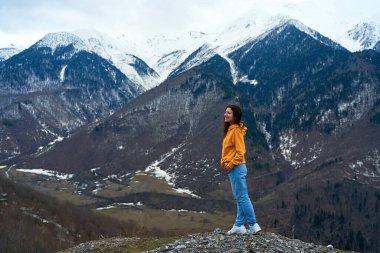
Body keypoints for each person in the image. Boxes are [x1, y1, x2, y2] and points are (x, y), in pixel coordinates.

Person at [221, 104, 261, 235]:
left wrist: (230, 164)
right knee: (239, 197)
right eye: (225, 112)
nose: (225, 114)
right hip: (235, 168)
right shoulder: (231, 129)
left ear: (235, 116)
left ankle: (253, 225)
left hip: (237, 167)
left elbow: (241, 152)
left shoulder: (236, 131)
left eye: (229, 113)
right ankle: (238, 225)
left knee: (243, 197)